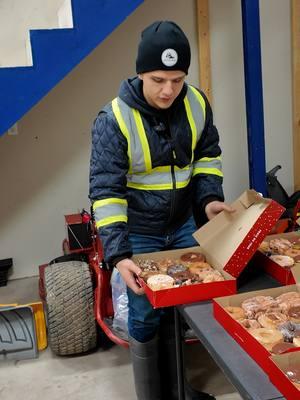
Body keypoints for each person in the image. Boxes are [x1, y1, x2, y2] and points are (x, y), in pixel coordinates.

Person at [89, 20, 233, 400]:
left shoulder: (198, 103)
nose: (169, 90)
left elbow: (206, 159)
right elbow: (106, 192)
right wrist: (119, 255)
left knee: (183, 305)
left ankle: (180, 391)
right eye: (157, 79)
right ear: (140, 74)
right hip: (140, 231)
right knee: (145, 313)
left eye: (177, 79)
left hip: (183, 222)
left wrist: (209, 200)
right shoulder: (114, 119)